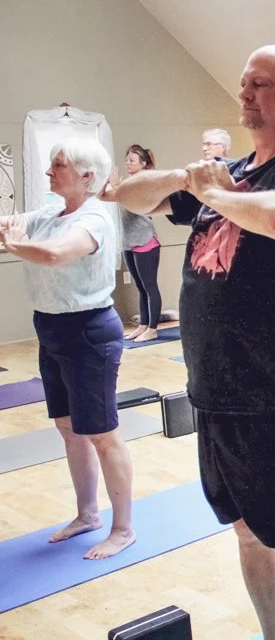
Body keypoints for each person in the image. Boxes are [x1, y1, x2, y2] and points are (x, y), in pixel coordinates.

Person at [113, 45, 275, 640]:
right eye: (243, 83)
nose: (245, 93)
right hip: (214, 389)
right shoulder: (229, 172)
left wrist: (214, 193)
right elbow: (130, 196)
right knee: (245, 530)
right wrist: (188, 178)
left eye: (260, 84)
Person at [0, 138, 135, 560]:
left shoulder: (94, 219)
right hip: (51, 327)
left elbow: (56, 254)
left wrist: (15, 244)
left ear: (86, 175)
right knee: (68, 428)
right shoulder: (51, 212)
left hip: (89, 332)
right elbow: (9, 222)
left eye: (58, 165)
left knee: (102, 434)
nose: (49, 172)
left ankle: (123, 529)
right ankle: (87, 514)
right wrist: (12, 233)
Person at [107, 144, 162, 342]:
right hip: (129, 241)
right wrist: (114, 186)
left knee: (149, 286)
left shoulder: (145, 183)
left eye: (132, 160)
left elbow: (134, 205)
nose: (127, 163)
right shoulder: (128, 184)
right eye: (127, 160)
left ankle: (152, 329)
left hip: (145, 240)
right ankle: (143, 325)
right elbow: (111, 197)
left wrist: (117, 188)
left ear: (143, 163)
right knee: (140, 287)